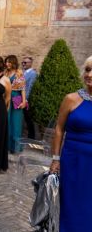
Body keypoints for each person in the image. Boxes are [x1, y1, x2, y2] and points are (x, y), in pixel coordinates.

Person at [50, 56, 92, 231]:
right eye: (88, 70)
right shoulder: (71, 99)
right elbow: (59, 128)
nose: (89, 74)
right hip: (72, 160)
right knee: (71, 205)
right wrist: (55, 158)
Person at [4, 55, 27, 153]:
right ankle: (6, 146)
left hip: (16, 98)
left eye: (9, 62)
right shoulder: (5, 73)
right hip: (6, 98)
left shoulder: (19, 73)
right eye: (6, 62)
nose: (7, 64)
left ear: (14, 63)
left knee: (16, 123)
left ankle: (15, 147)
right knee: (7, 122)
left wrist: (24, 101)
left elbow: (23, 88)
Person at [22, 56, 37, 139]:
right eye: (23, 62)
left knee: (28, 118)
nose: (23, 64)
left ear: (30, 63)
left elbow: (30, 86)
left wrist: (26, 99)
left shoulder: (33, 74)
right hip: (19, 99)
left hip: (26, 99)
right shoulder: (23, 72)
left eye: (25, 62)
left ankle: (31, 137)